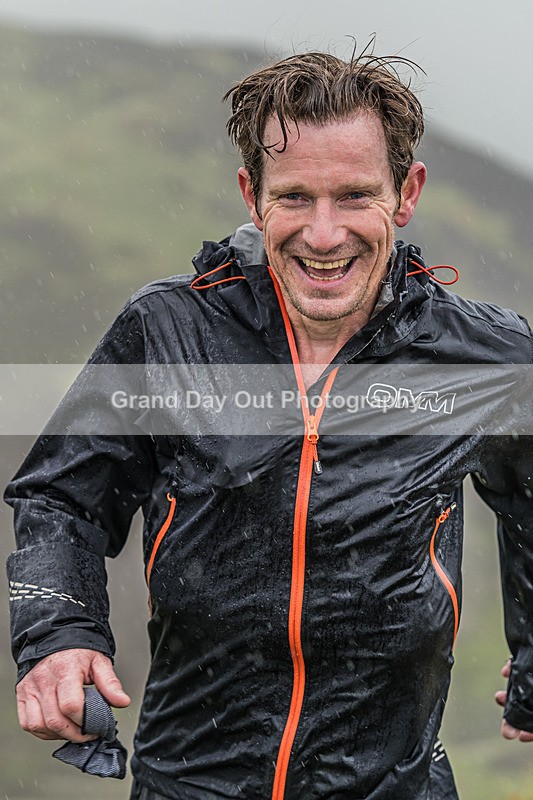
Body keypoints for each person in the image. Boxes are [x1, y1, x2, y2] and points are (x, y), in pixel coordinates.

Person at [5, 48, 533, 800]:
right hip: (191, 783)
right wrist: (58, 639)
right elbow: (61, 498)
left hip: (394, 786)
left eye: (354, 195)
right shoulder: (166, 330)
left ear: (404, 193)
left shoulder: (481, 355)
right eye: (294, 198)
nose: (323, 236)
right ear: (252, 196)